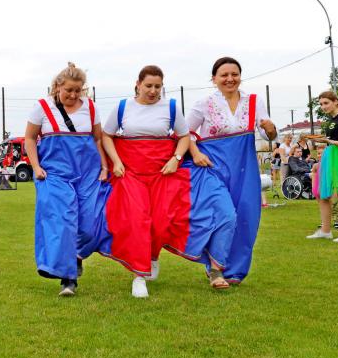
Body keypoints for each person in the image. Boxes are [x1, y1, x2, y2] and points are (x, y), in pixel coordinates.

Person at [101, 65, 193, 298]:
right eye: (148, 86)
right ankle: (139, 276)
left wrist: (176, 159)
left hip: (163, 172)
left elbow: (185, 136)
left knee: (162, 222)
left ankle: (152, 257)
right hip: (130, 173)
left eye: (158, 87)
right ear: (138, 84)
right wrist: (116, 162)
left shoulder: (171, 107)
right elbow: (106, 135)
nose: (153, 91)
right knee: (137, 220)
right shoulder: (123, 107)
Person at [187, 56, 277, 285]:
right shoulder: (203, 103)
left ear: (240, 76)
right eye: (224, 75)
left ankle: (235, 270)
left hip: (245, 169)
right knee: (223, 214)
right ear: (214, 79)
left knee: (246, 216)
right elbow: (184, 133)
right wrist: (196, 154)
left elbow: (268, 134)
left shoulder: (254, 101)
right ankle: (216, 269)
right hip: (213, 169)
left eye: (234, 74)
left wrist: (270, 129)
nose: (230, 79)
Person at [25, 63, 110, 297]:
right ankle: (68, 278)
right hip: (55, 174)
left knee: (90, 224)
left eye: (77, 90)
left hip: (88, 173)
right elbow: (30, 139)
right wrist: (36, 166)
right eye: (68, 90)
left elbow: (97, 139)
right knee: (63, 223)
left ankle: (77, 256)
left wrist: (104, 166)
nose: (73, 95)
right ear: (57, 87)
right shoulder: (41, 107)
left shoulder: (90, 108)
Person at [307, 90, 338, 243]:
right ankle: (325, 231)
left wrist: (331, 142)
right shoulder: (331, 119)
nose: (323, 106)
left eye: (326, 103)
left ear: (335, 101)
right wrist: (324, 140)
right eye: (321, 104)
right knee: (322, 193)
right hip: (330, 156)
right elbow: (333, 138)